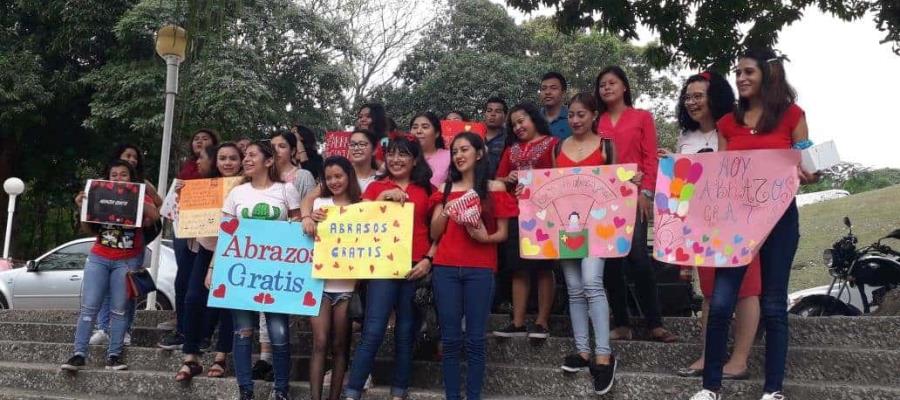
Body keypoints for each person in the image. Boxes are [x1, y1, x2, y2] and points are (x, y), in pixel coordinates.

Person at [689, 49, 819, 400]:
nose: (741, 78)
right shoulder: (727, 123)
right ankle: (710, 387)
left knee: (775, 304)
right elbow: (719, 174)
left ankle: (773, 390)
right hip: (735, 221)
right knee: (719, 303)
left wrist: (810, 173)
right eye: (737, 72)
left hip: (779, 220)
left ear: (768, 74)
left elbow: (808, 161)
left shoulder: (793, 115)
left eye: (748, 72)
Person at [665, 72, 761, 381]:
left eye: (698, 96)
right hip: (701, 223)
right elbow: (683, 186)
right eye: (688, 97)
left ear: (715, 97)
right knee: (708, 292)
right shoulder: (685, 137)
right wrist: (671, 165)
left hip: (739, 220)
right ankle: (709, 356)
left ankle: (740, 360)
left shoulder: (736, 127)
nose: (691, 102)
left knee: (747, 291)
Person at [341, 135, 437, 400]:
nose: (396, 159)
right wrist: (382, 197)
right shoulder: (375, 188)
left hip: (414, 267)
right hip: (382, 267)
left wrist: (428, 260)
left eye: (404, 154)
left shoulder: (428, 190)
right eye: (392, 154)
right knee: (372, 330)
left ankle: (399, 391)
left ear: (415, 159)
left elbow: (439, 232)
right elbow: (355, 222)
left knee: (406, 331)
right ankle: (352, 391)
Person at [429, 132, 517, 400]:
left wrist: (484, 237)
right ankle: (452, 396)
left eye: (464, 149)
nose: (458, 155)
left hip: (480, 268)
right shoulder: (444, 189)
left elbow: (502, 233)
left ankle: (474, 395)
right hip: (445, 268)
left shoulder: (495, 189)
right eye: (455, 151)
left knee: (476, 339)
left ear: (479, 153)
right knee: (451, 339)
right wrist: (447, 210)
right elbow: (435, 234)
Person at [593, 66, 677, 343]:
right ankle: (623, 323)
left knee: (638, 257)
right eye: (602, 84)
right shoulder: (596, 121)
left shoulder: (642, 117)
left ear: (625, 87)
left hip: (634, 196)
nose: (607, 88)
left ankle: (654, 323)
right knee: (611, 264)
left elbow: (650, 158)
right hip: (604, 200)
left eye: (612, 83)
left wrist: (647, 192)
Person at [553, 93, 627, 394]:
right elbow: (550, 184)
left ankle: (604, 354)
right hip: (565, 225)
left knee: (591, 282)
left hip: (599, 226)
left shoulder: (607, 145)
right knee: (573, 288)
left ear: (594, 115)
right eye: (571, 114)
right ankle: (583, 351)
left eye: (581, 114)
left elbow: (617, 184)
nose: (575, 120)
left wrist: (631, 182)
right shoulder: (559, 146)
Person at [61, 159, 160, 372]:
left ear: (131, 177)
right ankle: (78, 354)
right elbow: (89, 228)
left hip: (127, 258)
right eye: (114, 175)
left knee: (119, 308)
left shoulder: (141, 195)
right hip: (99, 256)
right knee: (89, 306)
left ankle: (114, 356)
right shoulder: (100, 194)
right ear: (107, 177)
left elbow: (155, 217)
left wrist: (137, 198)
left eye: (123, 174)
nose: (118, 178)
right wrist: (83, 206)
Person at [221, 140, 301, 400]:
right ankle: (245, 389)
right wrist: (213, 268)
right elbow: (226, 233)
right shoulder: (236, 193)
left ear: (268, 161)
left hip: (276, 273)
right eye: (245, 155)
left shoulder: (287, 190)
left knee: (278, 330)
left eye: (252, 155)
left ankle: (281, 389)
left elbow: (298, 231)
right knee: (243, 331)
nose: (246, 159)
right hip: (242, 271)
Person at [173, 143, 243, 382]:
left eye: (233, 158)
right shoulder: (203, 187)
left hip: (235, 252)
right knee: (193, 298)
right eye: (222, 158)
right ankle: (190, 358)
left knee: (226, 305)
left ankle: (220, 357)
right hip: (205, 248)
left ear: (241, 161)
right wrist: (183, 196)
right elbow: (181, 217)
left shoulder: (246, 188)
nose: (227, 163)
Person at [492, 102, 558, 340]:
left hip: (546, 213)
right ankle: (518, 322)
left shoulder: (553, 145)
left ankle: (541, 321)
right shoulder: (511, 150)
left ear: (534, 119)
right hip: (517, 213)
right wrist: (507, 178)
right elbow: (498, 179)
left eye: (522, 121)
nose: (518, 127)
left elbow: (561, 176)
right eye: (514, 124)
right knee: (518, 267)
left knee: (544, 267)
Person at [89, 143, 163, 347]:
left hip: (132, 248)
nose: (131, 160)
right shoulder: (101, 187)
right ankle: (103, 328)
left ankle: (125, 330)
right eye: (127, 155)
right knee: (105, 290)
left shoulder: (141, 186)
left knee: (127, 291)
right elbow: (90, 218)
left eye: (135, 157)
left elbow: (156, 211)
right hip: (105, 248)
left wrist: (144, 204)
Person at [305, 156, 362, 400]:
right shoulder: (319, 203)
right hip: (318, 285)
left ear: (349, 175)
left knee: (340, 346)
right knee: (319, 343)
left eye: (338, 176)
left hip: (347, 287)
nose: (334, 181)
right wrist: (307, 219)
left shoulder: (362, 207)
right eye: (329, 178)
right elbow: (304, 236)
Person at [158, 128, 220, 345]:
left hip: (210, 240)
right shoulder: (186, 167)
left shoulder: (226, 184)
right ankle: (184, 330)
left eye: (205, 139)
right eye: (196, 139)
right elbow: (172, 204)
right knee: (184, 279)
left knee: (203, 284)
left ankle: (202, 333)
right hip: (185, 231)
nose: (200, 142)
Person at [410, 111, 450, 187]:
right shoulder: (402, 157)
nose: (418, 131)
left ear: (437, 133)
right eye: (415, 127)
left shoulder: (449, 156)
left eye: (425, 127)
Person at [540, 72, 572, 140]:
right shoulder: (533, 119)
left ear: (563, 93)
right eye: (543, 88)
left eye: (553, 88)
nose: (547, 92)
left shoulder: (573, 119)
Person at [483, 97, 508, 178]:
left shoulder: (509, 138)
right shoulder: (475, 135)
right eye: (489, 111)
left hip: (500, 185)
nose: (492, 114)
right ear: (485, 114)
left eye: (498, 111)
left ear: (505, 116)